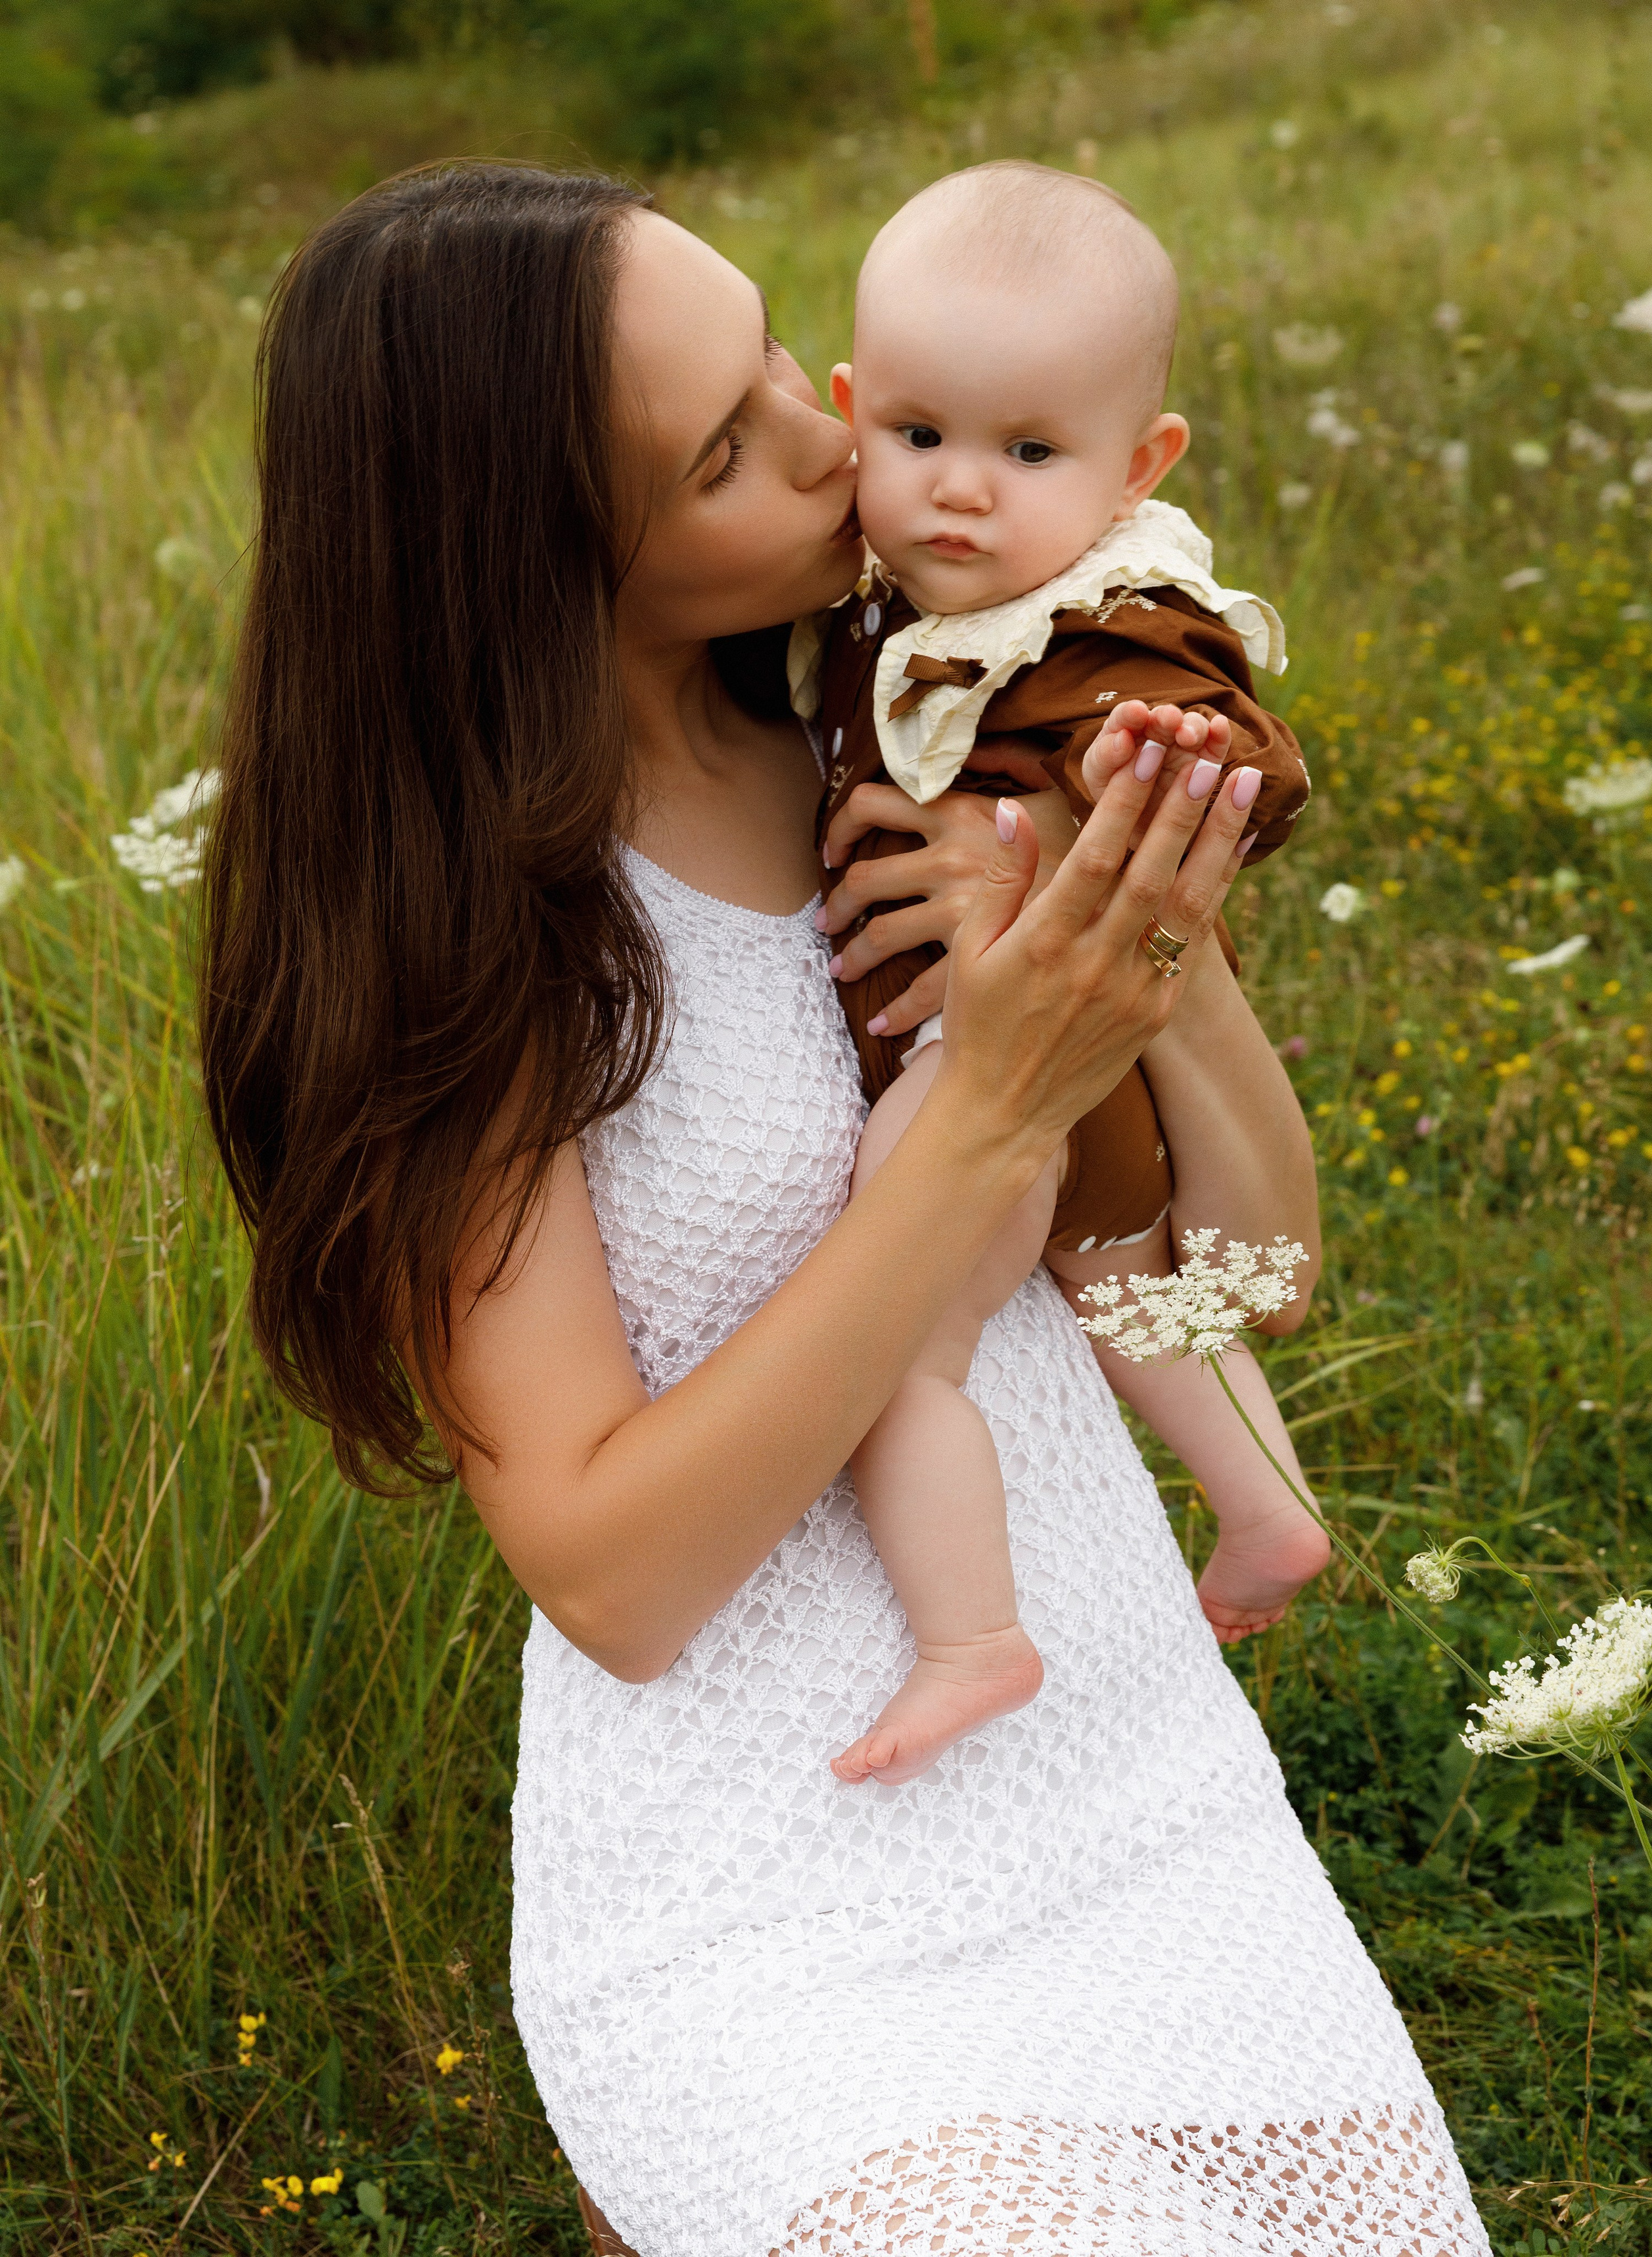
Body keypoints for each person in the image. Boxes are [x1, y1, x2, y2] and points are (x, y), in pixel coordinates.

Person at [200, 164, 1491, 2257]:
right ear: (537, 555)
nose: (838, 436)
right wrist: (992, 1095)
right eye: (726, 450)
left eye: (786, 361)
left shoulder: (914, 738)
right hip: (776, 1893)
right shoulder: (478, 949)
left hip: (1135, 1802)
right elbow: (614, 1573)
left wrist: (1130, 965)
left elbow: (1240, 1279)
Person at [797, 162, 1325, 1788]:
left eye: (1028, 452)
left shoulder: (1109, 624)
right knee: (1125, 1285)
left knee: (897, 1339)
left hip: (1008, 1062)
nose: (961, 490)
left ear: (1135, 468)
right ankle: (1265, 1513)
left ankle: (971, 1635)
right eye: (919, 435)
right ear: (850, 412)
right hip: (1071, 1080)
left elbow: (1240, 756)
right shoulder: (886, 590)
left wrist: (1136, 759)